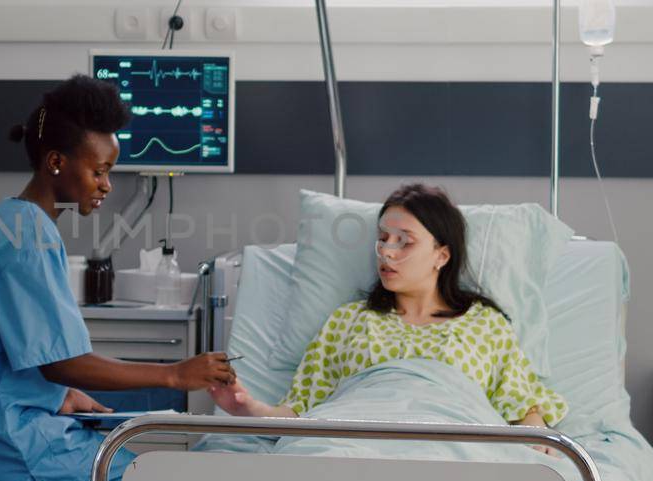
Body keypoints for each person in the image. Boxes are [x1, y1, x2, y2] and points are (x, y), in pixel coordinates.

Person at [0, 74, 234, 481]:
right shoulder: (29, 238)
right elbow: (61, 363)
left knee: (114, 475)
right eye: (99, 171)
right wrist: (173, 374)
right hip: (8, 448)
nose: (106, 185)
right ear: (56, 161)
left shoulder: (0, 224)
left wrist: (58, 399)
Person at [210, 183, 567, 441]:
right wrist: (248, 408)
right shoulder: (349, 321)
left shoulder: (483, 325)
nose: (386, 252)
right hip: (351, 447)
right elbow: (301, 412)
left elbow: (523, 406)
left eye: (404, 242)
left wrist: (535, 441)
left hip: (452, 452)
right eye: (383, 238)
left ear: (442, 255)